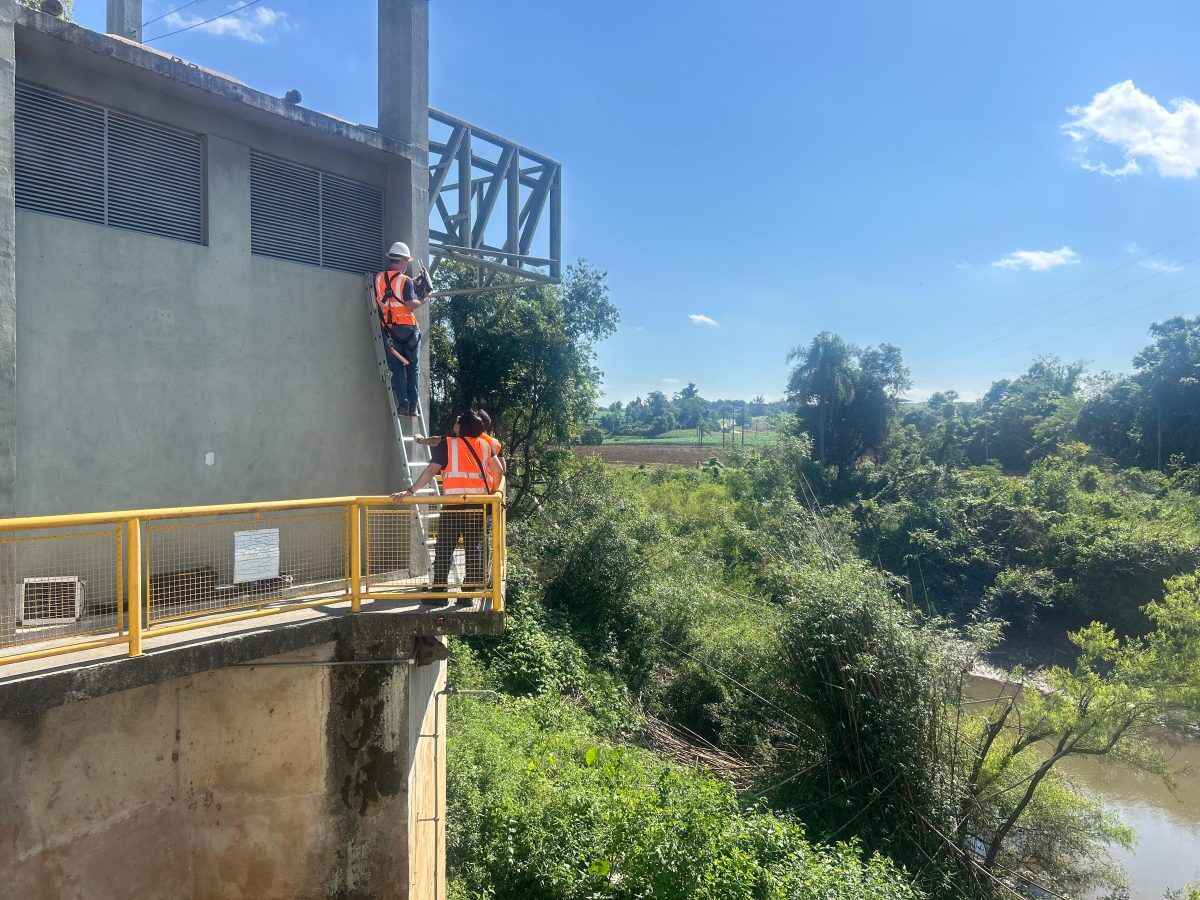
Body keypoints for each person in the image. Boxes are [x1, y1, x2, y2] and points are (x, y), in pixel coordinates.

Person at [392, 410, 503, 595]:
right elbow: (499, 470)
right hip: (478, 506)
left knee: (444, 548)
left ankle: (439, 592)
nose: (455, 423)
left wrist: (410, 491)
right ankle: (468, 594)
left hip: (452, 505)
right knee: (474, 549)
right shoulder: (485, 445)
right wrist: (494, 492)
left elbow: (430, 472)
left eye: (458, 421)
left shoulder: (448, 445)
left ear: (462, 426)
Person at [374, 241, 431, 416]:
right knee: (412, 367)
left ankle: (403, 404)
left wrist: (412, 284)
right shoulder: (405, 281)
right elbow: (409, 304)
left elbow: (391, 291)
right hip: (408, 331)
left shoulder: (379, 278)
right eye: (407, 262)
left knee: (397, 366)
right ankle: (413, 406)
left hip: (389, 330)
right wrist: (424, 299)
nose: (407, 265)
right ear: (403, 260)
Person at [416, 408, 507, 481]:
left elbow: (434, 441)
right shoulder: (493, 443)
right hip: (488, 491)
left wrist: (420, 440)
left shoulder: (460, 436)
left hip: (462, 489)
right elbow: (502, 470)